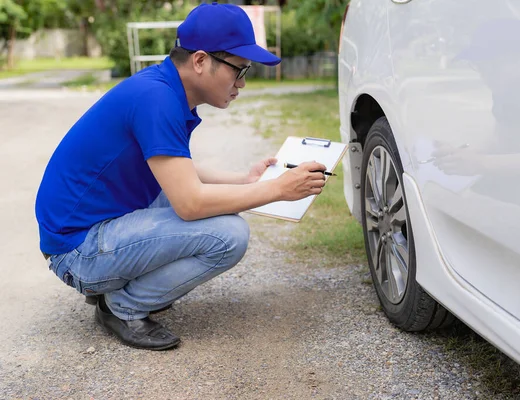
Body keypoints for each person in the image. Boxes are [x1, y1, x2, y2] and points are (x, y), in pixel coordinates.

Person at [34, 3, 327, 351]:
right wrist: (276, 189)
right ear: (200, 61)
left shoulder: (162, 88)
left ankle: (114, 286)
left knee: (207, 207)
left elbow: (175, 169)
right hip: (77, 251)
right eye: (239, 69)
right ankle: (121, 306)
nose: (243, 83)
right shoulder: (157, 99)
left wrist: (244, 181)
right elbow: (190, 203)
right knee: (229, 234)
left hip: (88, 231)